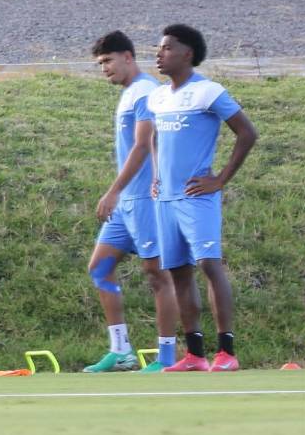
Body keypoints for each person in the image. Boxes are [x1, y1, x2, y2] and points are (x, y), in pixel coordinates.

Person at [149, 24, 258, 372]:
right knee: (178, 273)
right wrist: (155, 176)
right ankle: (195, 355)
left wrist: (220, 180)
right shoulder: (158, 96)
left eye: (166, 48)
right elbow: (154, 138)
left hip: (197, 197)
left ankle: (227, 352)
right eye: (158, 48)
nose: (158, 54)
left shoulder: (208, 91)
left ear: (187, 53)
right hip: (165, 199)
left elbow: (247, 133)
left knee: (209, 265)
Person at [83, 31, 180, 373]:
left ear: (128, 56)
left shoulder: (147, 92)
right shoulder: (128, 94)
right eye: (100, 64)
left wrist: (112, 191)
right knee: (100, 269)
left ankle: (167, 357)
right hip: (127, 204)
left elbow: (142, 146)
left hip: (145, 201)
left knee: (157, 274)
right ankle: (121, 351)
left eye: (107, 61)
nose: (104, 69)